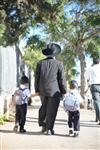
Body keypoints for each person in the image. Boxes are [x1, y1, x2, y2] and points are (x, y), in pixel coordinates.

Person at [34, 43, 67, 135]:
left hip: (42, 90)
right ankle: (49, 129)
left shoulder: (40, 63)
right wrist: (64, 90)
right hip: (54, 91)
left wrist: (37, 89)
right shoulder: (59, 64)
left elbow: (37, 77)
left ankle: (43, 126)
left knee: (44, 107)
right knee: (52, 110)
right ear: (55, 53)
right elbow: (62, 79)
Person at [86, 58, 100, 125]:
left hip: (94, 85)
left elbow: (87, 78)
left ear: (93, 62)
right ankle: (97, 117)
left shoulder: (90, 68)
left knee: (96, 102)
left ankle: (98, 117)